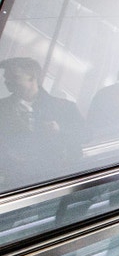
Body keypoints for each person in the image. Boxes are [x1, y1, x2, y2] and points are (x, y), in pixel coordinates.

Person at [0, 57, 85, 188]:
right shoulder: (2, 107)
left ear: (33, 78)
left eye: (14, 77)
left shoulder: (64, 107)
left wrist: (59, 130)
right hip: (11, 181)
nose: (7, 81)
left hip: (51, 181)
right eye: (6, 77)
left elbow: (86, 134)